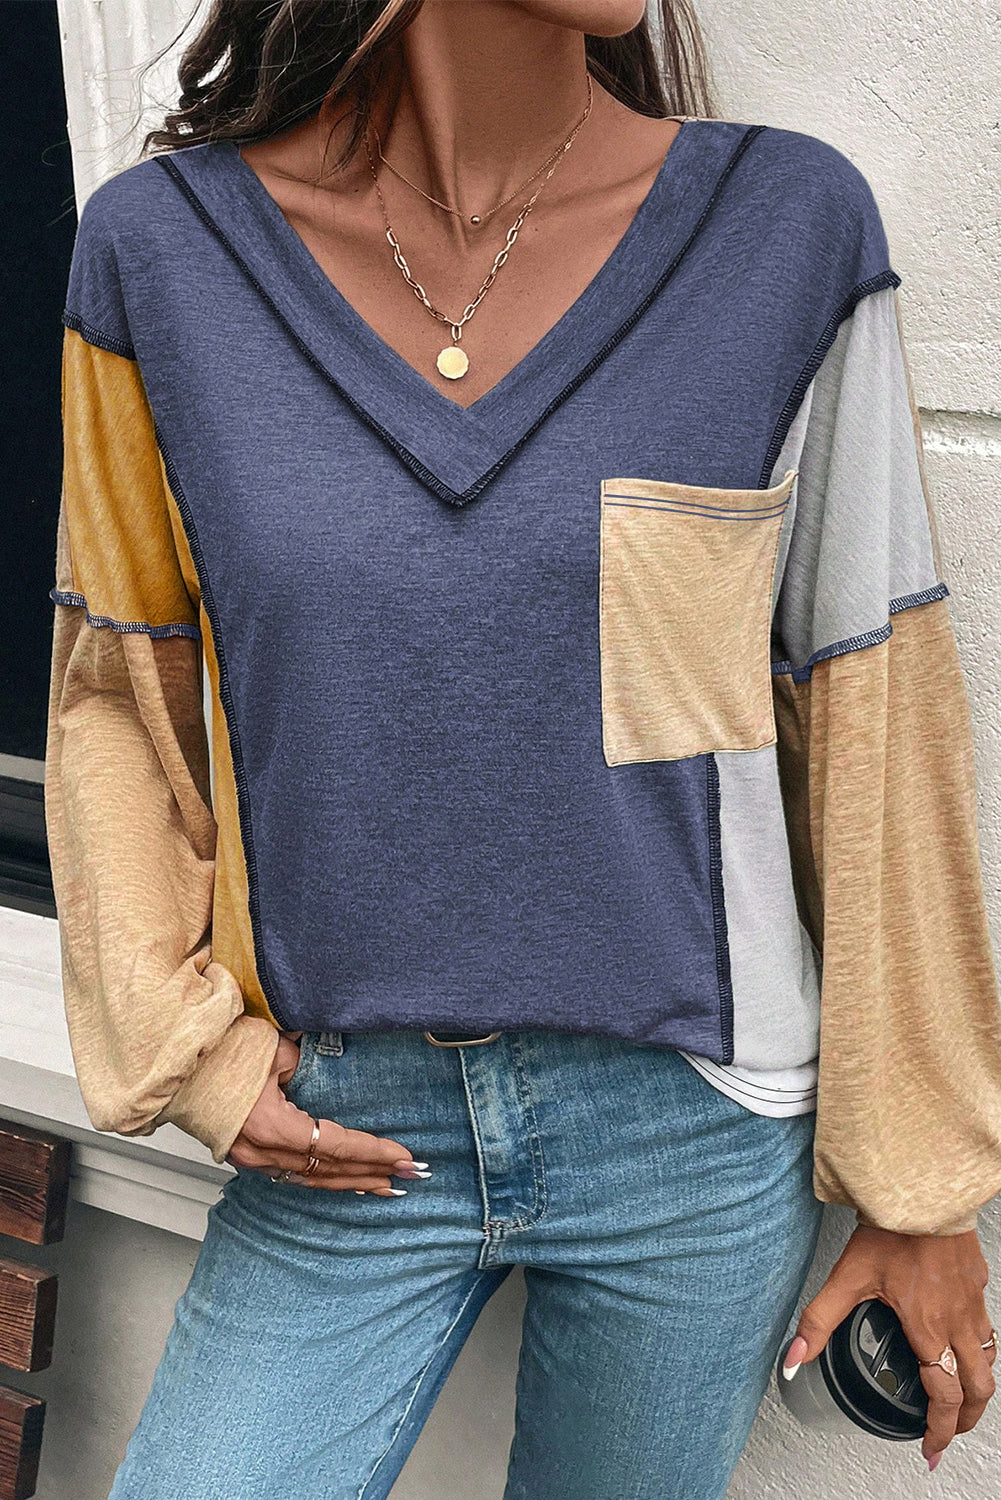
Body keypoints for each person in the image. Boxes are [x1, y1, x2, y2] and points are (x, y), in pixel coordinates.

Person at [44, 1, 1001, 1495]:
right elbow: (118, 698)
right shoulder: (161, 256)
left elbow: (873, 708)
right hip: (342, 1112)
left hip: (694, 1133)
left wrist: (919, 1187)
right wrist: (189, 1057)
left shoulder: (785, 231)